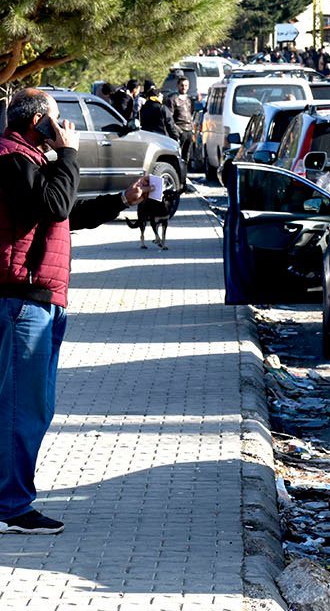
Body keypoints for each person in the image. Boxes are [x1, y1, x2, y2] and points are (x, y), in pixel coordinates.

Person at [0, 89, 150, 535]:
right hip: (21, 301)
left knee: (33, 407)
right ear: (37, 122)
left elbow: (66, 214)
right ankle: (11, 506)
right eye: (57, 119)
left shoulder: (31, 159)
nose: (64, 127)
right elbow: (55, 204)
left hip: (40, 300)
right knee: (20, 410)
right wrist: (69, 154)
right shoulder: (12, 157)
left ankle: (11, 498)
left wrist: (124, 198)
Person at [166, 75, 196, 168]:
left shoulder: (189, 99)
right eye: (182, 85)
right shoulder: (173, 99)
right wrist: (178, 131)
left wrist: (192, 128)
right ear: (178, 85)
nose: (184, 88)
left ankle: (184, 176)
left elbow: (192, 113)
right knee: (178, 155)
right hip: (179, 130)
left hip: (189, 130)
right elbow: (169, 117)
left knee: (186, 156)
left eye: (186, 85)